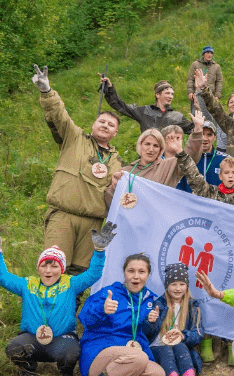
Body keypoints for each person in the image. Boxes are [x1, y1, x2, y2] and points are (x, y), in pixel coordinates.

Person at [0, 223, 116, 376]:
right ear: (38, 268)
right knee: (13, 348)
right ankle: (28, 370)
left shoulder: (71, 284)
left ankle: (66, 372)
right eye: (44, 265)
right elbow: (3, 276)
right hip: (32, 337)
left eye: (54, 266)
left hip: (62, 337)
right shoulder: (27, 285)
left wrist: (99, 250)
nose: (48, 270)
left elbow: (94, 274)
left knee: (71, 352)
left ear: (62, 269)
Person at [32, 65, 123, 275]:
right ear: (93, 124)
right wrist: (47, 91)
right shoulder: (74, 138)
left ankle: (73, 309)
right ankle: (48, 308)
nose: (105, 126)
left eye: (111, 125)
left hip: (93, 223)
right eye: (102, 121)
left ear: (115, 133)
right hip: (63, 216)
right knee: (53, 269)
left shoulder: (117, 161)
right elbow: (59, 115)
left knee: (81, 274)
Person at [68, 254, 164, 376]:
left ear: (148, 275)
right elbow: (84, 318)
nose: (135, 276)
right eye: (131, 271)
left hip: (130, 359)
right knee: (139, 357)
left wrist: (151, 323)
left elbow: (147, 334)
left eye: (141, 271)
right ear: (124, 273)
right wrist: (102, 310)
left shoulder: (150, 300)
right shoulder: (109, 293)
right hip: (100, 353)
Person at [103, 116, 204, 208]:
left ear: (160, 149)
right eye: (147, 144)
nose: (151, 149)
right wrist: (114, 187)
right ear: (140, 145)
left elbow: (191, 157)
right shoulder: (126, 171)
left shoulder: (169, 166)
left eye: (156, 146)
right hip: (131, 225)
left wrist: (198, 131)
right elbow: (111, 204)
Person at [150, 263, 207, 376]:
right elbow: (147, 332)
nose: (178, 288)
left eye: (182, 284)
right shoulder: (158, 304)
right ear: (167, 286)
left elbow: (198, 333)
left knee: (180, 346)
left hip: (180, 348)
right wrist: (151, 321)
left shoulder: (193, 306)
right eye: (173, 284)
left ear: (187, 286)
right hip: (159, 347)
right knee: (166, 350)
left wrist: (183, 335)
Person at [101, 76, 194, 134]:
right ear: (158, 95)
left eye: (172, 94)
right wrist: (109, 88)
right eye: (167, 93)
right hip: (147, 159)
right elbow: (120, 106)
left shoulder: (178, 116)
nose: (170, 96)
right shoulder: (144, 111)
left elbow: (194, 131)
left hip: (168, 162)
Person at [176, 121, 227, 193]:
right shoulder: (186, 158)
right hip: (190, 202)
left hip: (214, 202)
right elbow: (178, 185)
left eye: (209, 135)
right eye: (201, 134)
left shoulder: (224, 159)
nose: (204, 138)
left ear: (214, 137)